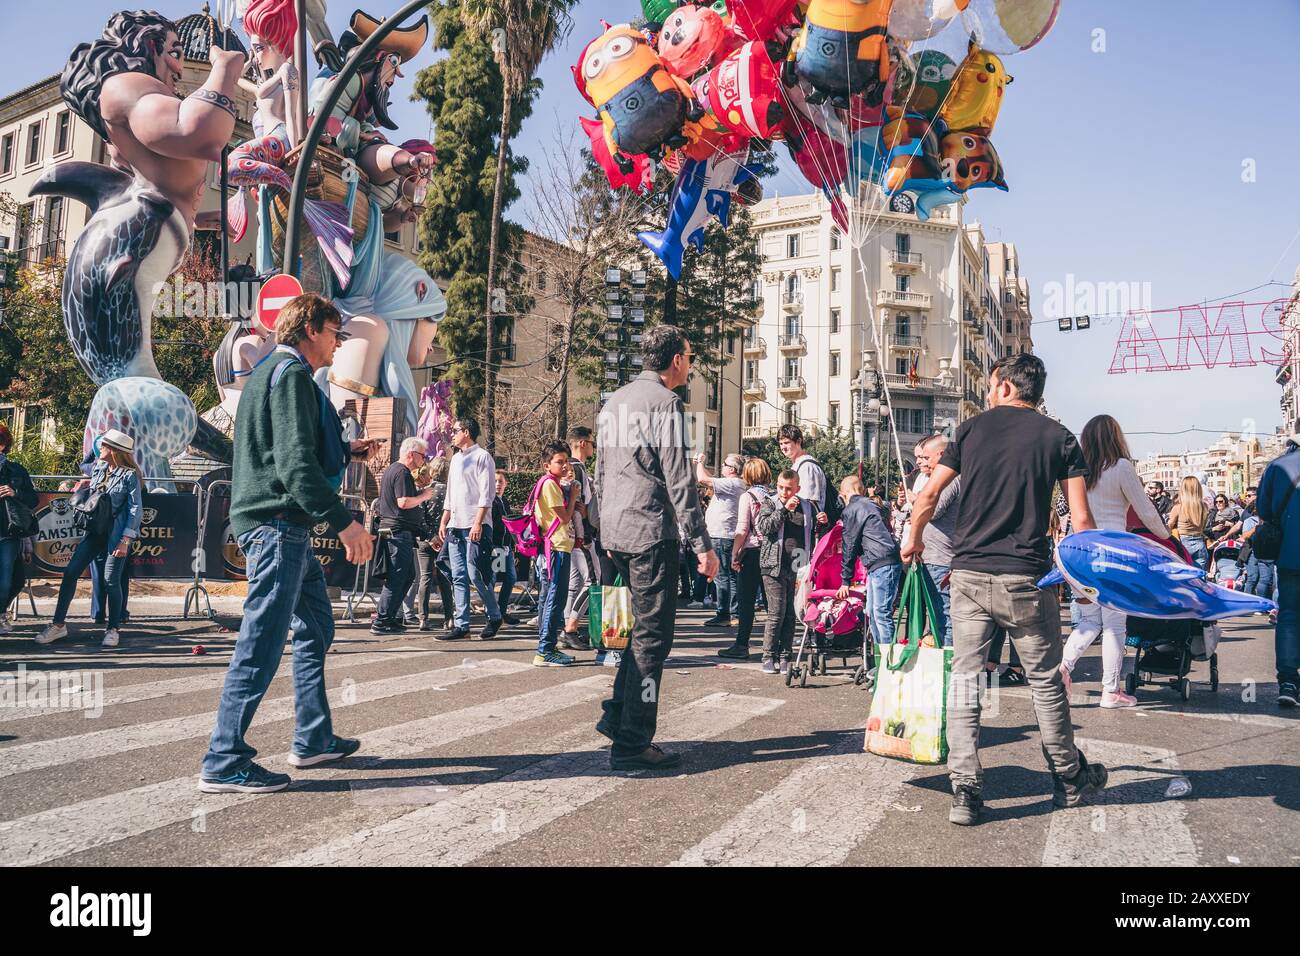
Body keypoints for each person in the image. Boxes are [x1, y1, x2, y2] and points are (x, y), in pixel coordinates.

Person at [904, 353, 1107, 826]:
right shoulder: (1060, 438)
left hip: (969, 575)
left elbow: (929, 494)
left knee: (965, 682)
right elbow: (1080, 521)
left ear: (1006, 387)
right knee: (1046, 683)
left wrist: (912, 538)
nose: (991, 393)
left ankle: (966, 790)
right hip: (1027, 579)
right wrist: (1088, 581)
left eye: (994, 385)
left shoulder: (970, 431)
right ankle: (1069, 779)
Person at [199, 294, 376, 793]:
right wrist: (345, 522)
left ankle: (313, 738)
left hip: (281, 524)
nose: (340, 344)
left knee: (316, 624)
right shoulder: (292, 375)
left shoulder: (272, 374)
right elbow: (294, 464)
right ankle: (223, 757)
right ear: (311, 329)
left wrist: (345, 448)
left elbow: (285, 446)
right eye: (335, 333)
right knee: (263, 638)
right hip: (278, 524)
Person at [595, 325, 718, 769]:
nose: (691, 363)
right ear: (676, 361)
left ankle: (617, 715)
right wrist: (702, 545)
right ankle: (632, 741)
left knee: (633, 633)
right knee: (652, 639)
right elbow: (680, 479)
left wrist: (601, 528)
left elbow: (601, 470)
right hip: (650, 531)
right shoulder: (666, 403)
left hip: (616, 530)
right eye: (690, 355)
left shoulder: (615, 401)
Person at [1059, 415, 1172, 706]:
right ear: (1115, 437)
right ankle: (1111, 689)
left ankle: (1062, 668)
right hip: (1113, 554)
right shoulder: (1121, 467)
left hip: (1080, 553)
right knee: (1114, 625)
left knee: (1088, 621)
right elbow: (1145, 509)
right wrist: (1166, 535)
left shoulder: (1078, 470)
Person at [37, 429, 143, 649]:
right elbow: (92, 487)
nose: (99, 449)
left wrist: (125, 540)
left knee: (110, 581)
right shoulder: (99, 468)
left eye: (103, 446)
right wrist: (85, 487)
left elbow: (135, 509)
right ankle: (58, 625)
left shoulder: (129, 475)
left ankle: (113, 629)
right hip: (94, 532)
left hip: (116, 534)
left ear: (114, 450)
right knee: (70, 572)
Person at [436, 416, 504, 641]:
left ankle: (494, 615)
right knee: (458, 575)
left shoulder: (483, 457)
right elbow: (451, 493)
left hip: (475, 525)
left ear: (466, 432)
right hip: (455, 525)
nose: (452, 434)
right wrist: (444, 519)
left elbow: (487, 494)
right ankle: (461, 624)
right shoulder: (455, 459)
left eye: (455, 430)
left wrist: (478, 522)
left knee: (476, 574)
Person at [837, 476, 903, 669]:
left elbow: (849, 545)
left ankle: (889, 662)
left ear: (844, 494)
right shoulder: (873, 506)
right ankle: (882, 659)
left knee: (880, 612)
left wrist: (845, 579)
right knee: (873, 612)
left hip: (881, 563)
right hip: (885, 561)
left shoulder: (852, 509)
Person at [372, 437, 434, 635]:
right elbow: (404, 502)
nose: (423, 460)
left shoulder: (394, 470)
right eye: (422, 456)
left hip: (397, 532)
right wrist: (424, 495)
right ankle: (382, 620)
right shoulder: (401, 472)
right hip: (398, 534)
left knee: (407, 576)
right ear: (411, 454)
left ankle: (391, 618)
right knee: (398, 577)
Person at [755, 469, 814, 674]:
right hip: (773, 565)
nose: (784, 492)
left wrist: (822, 522)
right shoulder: (770, 503)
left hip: (798, 564)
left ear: (798, 488)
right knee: (776, 613)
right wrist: (783, 509)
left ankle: (786, 656)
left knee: (791, 613)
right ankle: (768, 656)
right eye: (781, 487)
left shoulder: (807, 506)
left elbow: (811, 535)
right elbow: (764, 527)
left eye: (789, 489)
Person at [1257, 440, 1300, 707]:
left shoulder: (1277, 466)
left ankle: (1288, 682)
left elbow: (1264, 510)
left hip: (1290, 554)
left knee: (1289, 616)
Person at [533, 441, 582, 666]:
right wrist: (572, 497)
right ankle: (545, 650)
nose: (564, 466)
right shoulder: (550, 485)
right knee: (556, 599)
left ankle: (546, 647)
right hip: (556, 548)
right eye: (559, 462)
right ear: (547, 465)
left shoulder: (551, 483)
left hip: (556, 547)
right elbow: (563, 518)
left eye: (566, 462)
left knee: (551, 598)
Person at [719, 457, 772, 660]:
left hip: (751, 553)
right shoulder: (773, 495)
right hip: (770, 552)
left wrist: (734, 553)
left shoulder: (748, 496)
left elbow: (742, 528)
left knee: (746, 601)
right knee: (770, 602)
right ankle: (775, 644)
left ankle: (742, 644)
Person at [913, 434, 960, 646]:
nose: (923, 462)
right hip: (936, 556)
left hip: (941, 558)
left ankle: (948, 664)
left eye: (926, 457)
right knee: (939, 615)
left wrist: (920, 499)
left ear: (941, 455)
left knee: (944, 615)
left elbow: (933, 510)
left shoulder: (948, 478)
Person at [695, 452, 747, 627]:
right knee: (729, 576)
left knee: (722, 576)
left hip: (722, 535)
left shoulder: (732, 483)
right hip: (726, 534)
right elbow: (710, 479)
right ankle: (733, 613)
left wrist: (700, 462)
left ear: (732, 469)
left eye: (725, 464)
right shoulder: (735, 483)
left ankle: (725, 613)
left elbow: (703, 479)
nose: (722, 466)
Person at [561, 426, 598, 649]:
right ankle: (571, 627)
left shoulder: (573, 467)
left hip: (573, 536)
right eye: (592, 442)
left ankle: (567, 628)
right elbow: (576, 502)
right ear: (582, 443)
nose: (594, 447)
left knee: (574, 583)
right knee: (592, 581)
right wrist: (585, 531)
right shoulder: (576, 469)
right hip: (581, 535)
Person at [0, 424, 39, 635]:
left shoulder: (16, 470)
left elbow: (33, 500)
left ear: (3, 445)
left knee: (7, 581)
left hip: (8, 532)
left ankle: (1, 613)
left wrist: (15, 493)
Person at [414, 457, 455, 631]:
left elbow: (419, 517)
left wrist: (430, 537)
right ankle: (449, 618)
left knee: (425, 578)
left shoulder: (424, 491)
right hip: (445, 538)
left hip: (425, 539)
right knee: (445, 579)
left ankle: (423, 618)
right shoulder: (452, 492)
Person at [778, 424, 830, 533]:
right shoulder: (798, 465)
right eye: (781, 443)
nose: (783, 447)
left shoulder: (807, 467)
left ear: (798, 441)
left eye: (787, 442)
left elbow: (808, 502)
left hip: (808, 530)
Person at [490, 471, 520, 624]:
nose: (498, 485)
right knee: (494, 578)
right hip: (497, 547)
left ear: (506, 484)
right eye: (495, 481)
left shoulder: (505, 501)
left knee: (511, 577)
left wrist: (513, 545)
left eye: (501, 481)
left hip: (506, 547)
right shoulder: (491, 501)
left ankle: (501, 610)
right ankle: (494, 614)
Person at [1167, 476, 1211, 571]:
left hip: (1183, 543)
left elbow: (1169, 526)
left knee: (1184, 578)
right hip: (1200, 543)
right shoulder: (1204, 507)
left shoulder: (1178, 507)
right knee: (1199, 578)